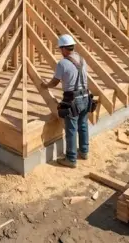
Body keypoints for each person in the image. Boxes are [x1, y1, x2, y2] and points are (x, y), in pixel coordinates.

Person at [40, 34, 91, 168]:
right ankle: (84, 151)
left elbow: (54, 82)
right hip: (86, 97)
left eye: (60, 49)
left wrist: (45, 85)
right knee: (83, 125)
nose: (60, 51)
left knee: (71, 130)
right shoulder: (82, 59)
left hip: (73, 100)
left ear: (63, 48)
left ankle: (71, 159)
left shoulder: (62, 63)